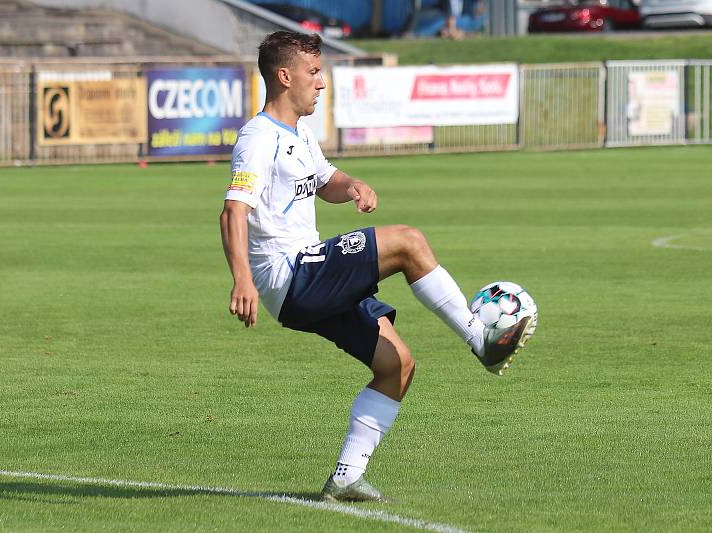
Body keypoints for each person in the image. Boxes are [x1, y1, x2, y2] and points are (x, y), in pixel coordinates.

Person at [220, 30, 536, 503]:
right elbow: (233, 210)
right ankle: (479, 338)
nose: (321, 83)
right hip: (292, 275)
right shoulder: (258, 138)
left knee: (397, 365)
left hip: (307, 282)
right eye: (314, 73)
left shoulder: (299, 133)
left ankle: (346, 475)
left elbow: (326, 180)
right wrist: (242, 279)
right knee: (407, 242)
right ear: (284, 77)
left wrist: (352, 185)